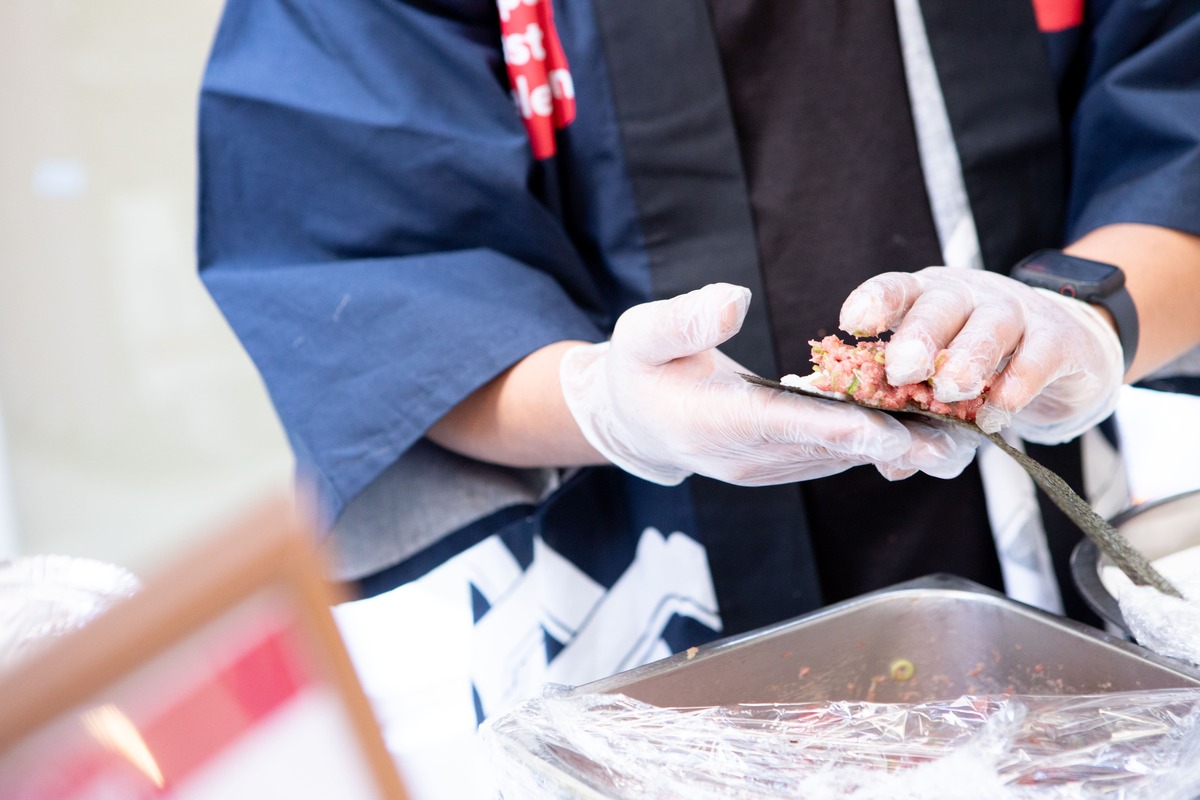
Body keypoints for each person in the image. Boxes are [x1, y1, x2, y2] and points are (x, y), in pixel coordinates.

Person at [196, 0, 1200, 796]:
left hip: (1042, 565)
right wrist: (606, 403)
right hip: (611, 591)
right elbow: (366, 254)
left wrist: (1085, 320)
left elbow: (1178, 125)